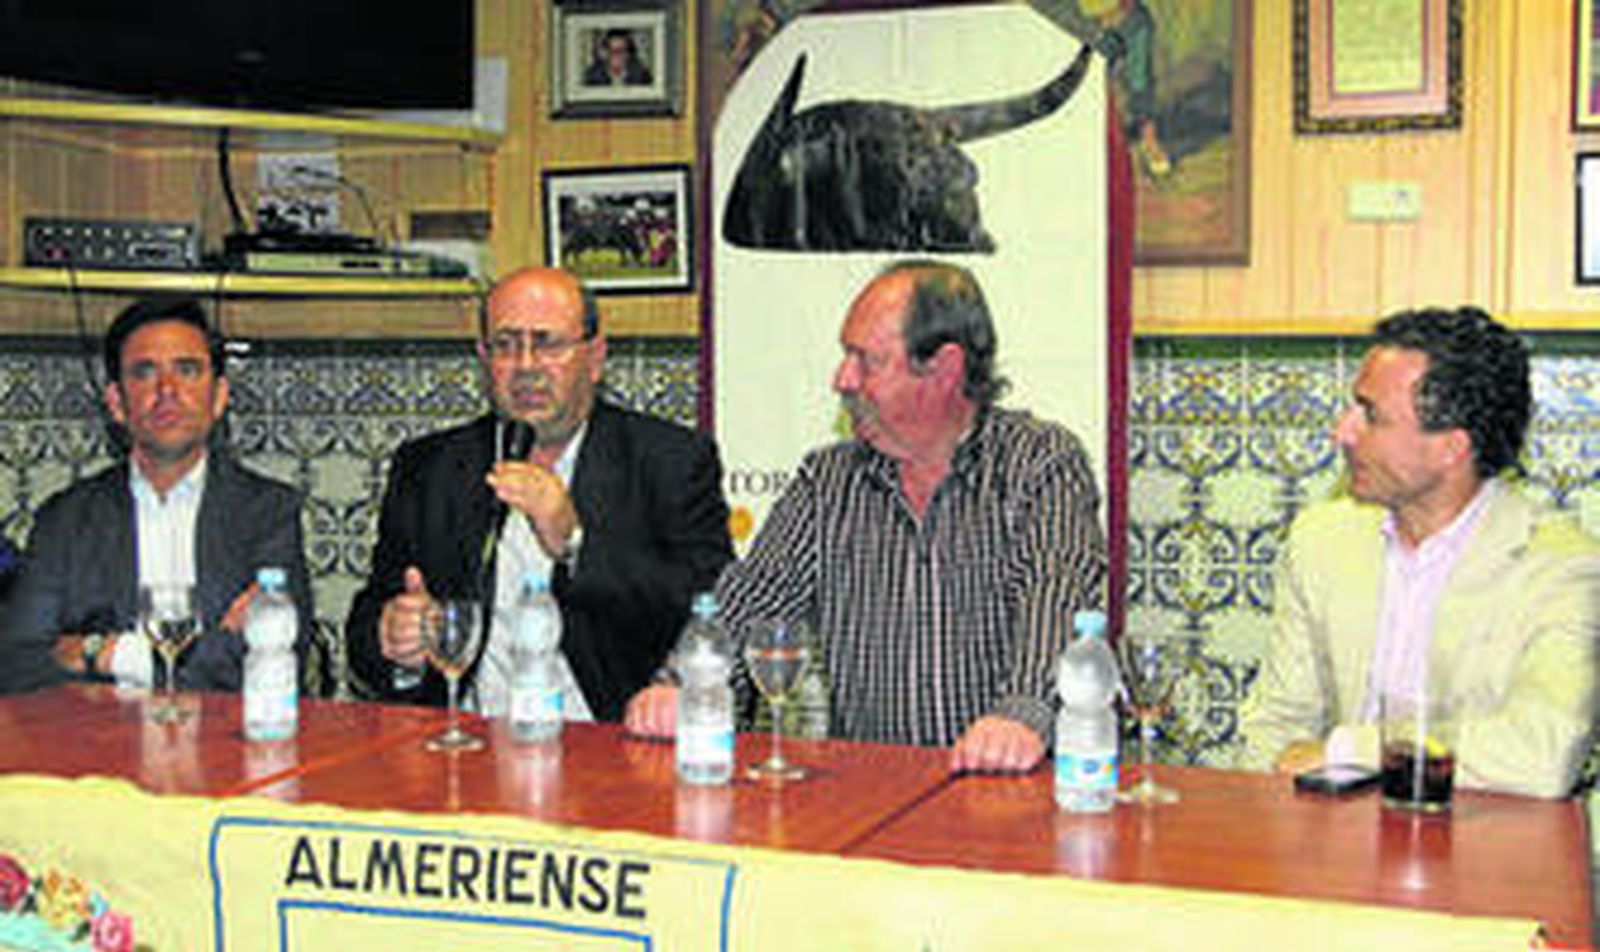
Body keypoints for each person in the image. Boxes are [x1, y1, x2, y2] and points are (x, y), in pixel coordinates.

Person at [626, 260, 1107, 773]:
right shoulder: (829, 481)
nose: (841, 378)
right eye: (844, 356)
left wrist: (1022, 716)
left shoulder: (1040, 463)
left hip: (1013, 791)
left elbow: (1056, 596)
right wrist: (685, 685)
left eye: (865, 360)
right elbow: (753, 598)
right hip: (870, 793)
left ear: (944, 369)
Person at [1239, 307, 1600, 798]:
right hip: (1328, 851)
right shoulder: (1321, 539)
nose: (1341, 431)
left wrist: (1349, 749)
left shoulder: (1562, 566)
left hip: (1484, 856)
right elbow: (1274, 726)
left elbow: (1544, 753)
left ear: (1451, 448)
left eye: (1371, 415)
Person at [346, 267, 732, 722]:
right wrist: (394, 641)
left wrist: (574, 544)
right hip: (466, 744)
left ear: (595, 357)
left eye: (547, 343)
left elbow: (710, 608)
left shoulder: (670, 460)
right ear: (483, 357)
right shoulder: (429, 466)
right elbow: (368, 630)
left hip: (610, 745)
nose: (526, 366)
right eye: (506, 345)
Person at [0, 294, 315, 695]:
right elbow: (15, 663)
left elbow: (274, 657)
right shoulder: (65, 519)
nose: (167, 390)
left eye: (187, 370)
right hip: (98, 746)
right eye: (145, 372)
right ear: (116, 403)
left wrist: (103, 652)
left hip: (228, 747)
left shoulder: (267, 512)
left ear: (219, 396)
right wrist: (206, 647)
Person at [583, 29, 653, 87]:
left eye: (620, 50)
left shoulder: (641, 77)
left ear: (628, 53)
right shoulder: (593, 77)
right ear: (606, 52)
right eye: (611, 50)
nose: (615, 55)